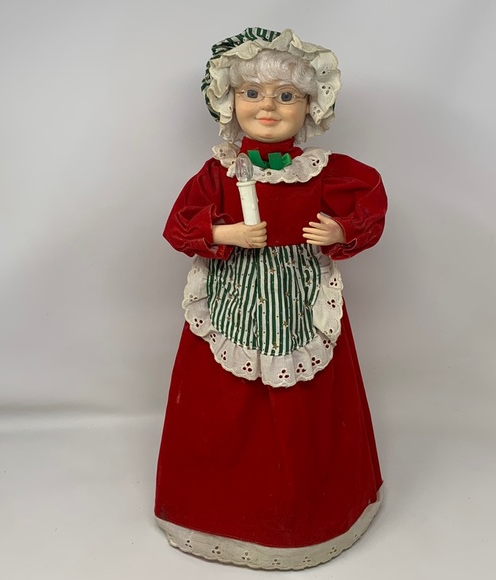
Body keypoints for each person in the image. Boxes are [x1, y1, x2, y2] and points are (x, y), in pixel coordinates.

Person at [154, 27, 388, 570]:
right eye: (252, 93)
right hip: (232, 294)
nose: (267, 107)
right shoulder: (219, 172)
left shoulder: (324, 172)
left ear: (310, 106)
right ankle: (215, 509)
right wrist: (227, 234)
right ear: (229, 101)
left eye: (285, 95)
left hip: (300, 299)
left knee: (308, 403)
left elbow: (369, 203)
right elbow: (179, 223)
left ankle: (307, 515)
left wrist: (339, 231)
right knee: (220, 402)